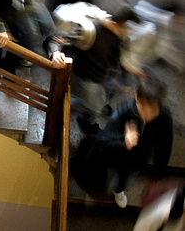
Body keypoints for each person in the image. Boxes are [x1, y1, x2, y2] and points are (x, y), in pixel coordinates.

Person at [71, 70, 173, 208]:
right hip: (115, 156)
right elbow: (102, 141)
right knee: (102, 177)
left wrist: (159, 172)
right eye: (146, 107)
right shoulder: (124, 112)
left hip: (138, 160)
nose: (149, 115)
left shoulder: (164, 116)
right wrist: (125, 142)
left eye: (154, 109)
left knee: (125, 180)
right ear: (137, 98)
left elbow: (165, 145)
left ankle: (118, 191)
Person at [48, 0, 141, 133]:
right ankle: (66, 106)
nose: (130, 31)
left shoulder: (121, 37)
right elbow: (57, 39)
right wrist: (55, 53)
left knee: (102, 99)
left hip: (102, 75)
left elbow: (121, 59)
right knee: (94, 106)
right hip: (85, 76)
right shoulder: (89, 30)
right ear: (118, 24)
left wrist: (124, 82)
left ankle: (85, 110)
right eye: (127, 27)